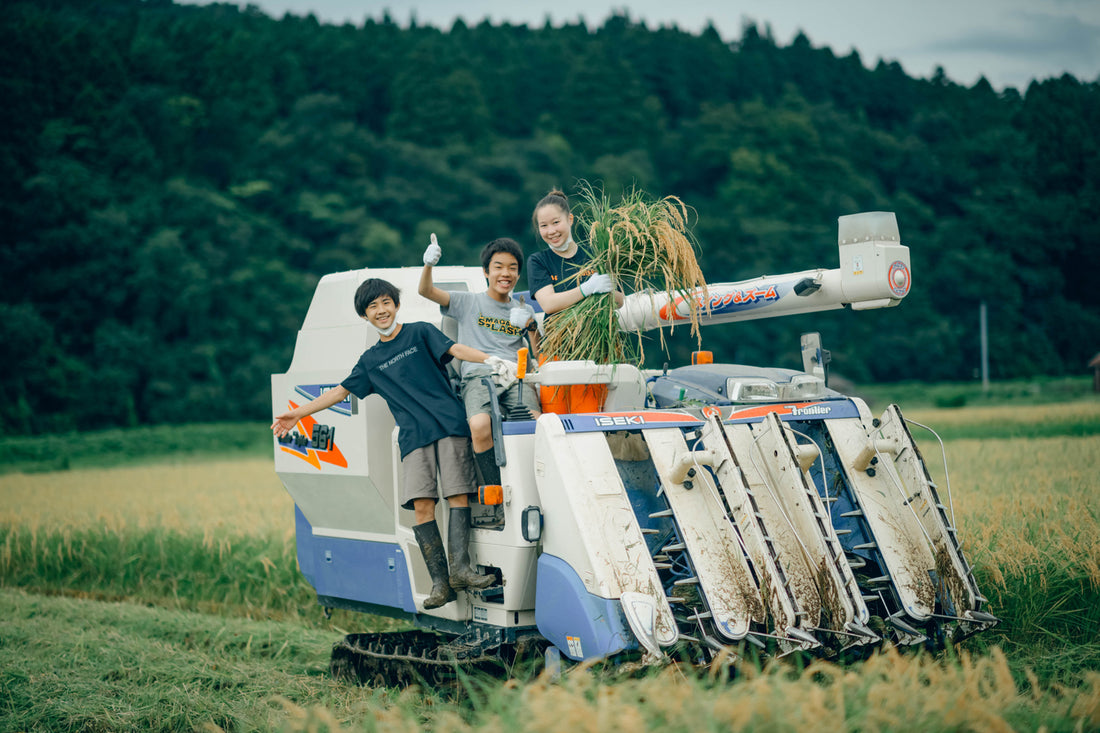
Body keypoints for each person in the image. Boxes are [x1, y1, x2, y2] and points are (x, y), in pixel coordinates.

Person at [271, 278, 514, 610]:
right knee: (422, 506)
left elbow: (455, 349)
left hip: (448, 423)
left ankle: (461, 570)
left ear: (396, 305)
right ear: (365, 317)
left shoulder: (420, 332)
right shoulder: (370, 360)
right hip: (413, 437)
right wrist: (296, 414)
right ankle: (441, 583)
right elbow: (339, 392)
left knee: (458, 494)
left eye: (385, 302)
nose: (381, 310)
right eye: (372, 307)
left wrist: (490, 360)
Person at [419, 235, 540, 488]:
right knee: (480, 425)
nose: (505, 273)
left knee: (537, 424)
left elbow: (538, 353)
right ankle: (497, 490)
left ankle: (533, 486)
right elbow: (426, 291)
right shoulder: (468, 302)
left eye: (512, 268)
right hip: (479, 376)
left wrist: (530, 326)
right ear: (486, 271)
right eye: (498, 267)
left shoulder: (524, 309)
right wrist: (428, 265)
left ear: (518, 275)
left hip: (516, 378)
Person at [524, 189, 623, 412]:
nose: (551, 231)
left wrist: (606, 291)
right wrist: (587, 289)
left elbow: (620, 301)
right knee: (554, 418)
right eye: (543, 226)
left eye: (556, 222)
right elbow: (548, 303)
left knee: (587, 416)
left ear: (570, 219)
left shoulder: (596, 253)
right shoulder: (539, 261)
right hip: (556, 349)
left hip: (593, 350)